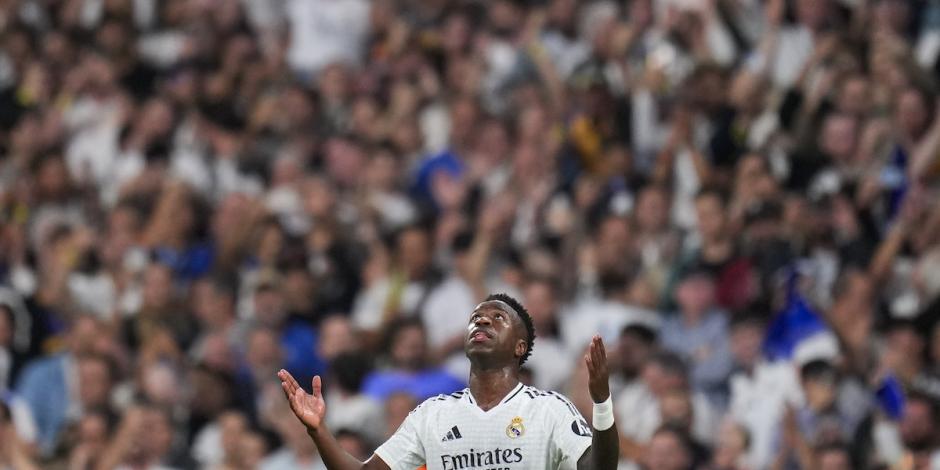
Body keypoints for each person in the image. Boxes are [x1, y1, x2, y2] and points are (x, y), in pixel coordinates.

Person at [278, 293, 620, 469]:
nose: (482, 322)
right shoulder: (432, 415)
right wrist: (318, 431)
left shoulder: (549, 410)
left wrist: (602, 403)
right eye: (476, 319)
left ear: (520, 346)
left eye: (497, 318)